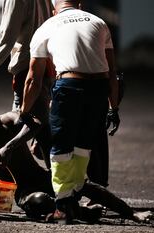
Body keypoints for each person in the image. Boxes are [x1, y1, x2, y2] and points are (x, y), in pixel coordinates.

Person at [0, 93, 152, 223]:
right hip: (22, 191)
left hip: (42, 176)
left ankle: (132, 213)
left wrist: (9, 146)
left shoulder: (6, 122)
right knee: (39, 201)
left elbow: (35, 123)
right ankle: (81, 212)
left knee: (85, 185)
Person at [19, 0, 121, 224]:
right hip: (99, 88)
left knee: (60, 148)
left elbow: (33, 80)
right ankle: (76, 197)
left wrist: (24, 111)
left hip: (69, 88)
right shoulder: (99, 22)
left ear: (54, 8)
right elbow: (113, 72)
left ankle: (64, 206)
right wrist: (114, 108)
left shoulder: (46, 27)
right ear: (80, 5)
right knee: (84, 146)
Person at [0, 0, 54, 111]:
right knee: (42, 117)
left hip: (26, 67)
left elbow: (7, 40)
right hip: (47, 64)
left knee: (23, 118)